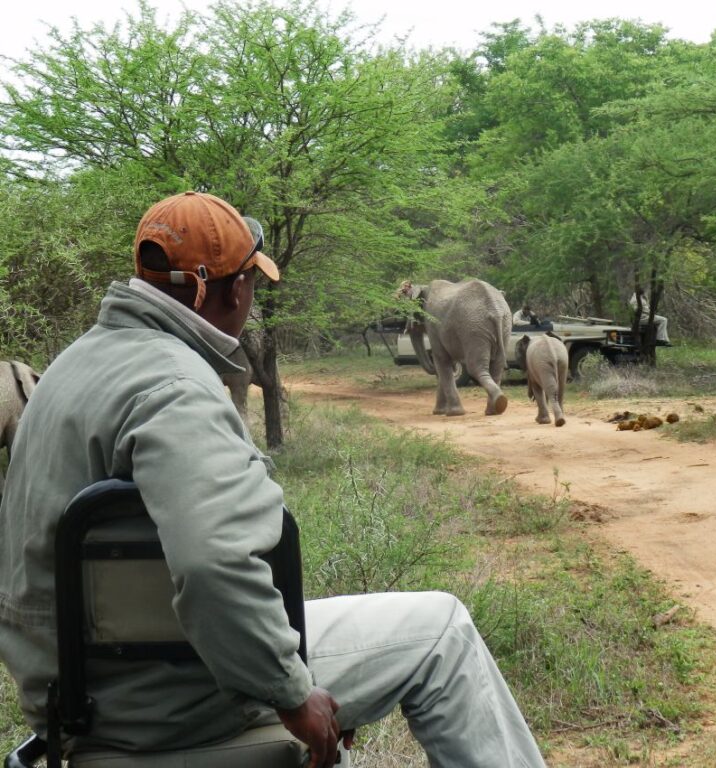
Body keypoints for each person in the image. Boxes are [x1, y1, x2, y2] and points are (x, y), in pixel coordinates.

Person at [0, 191, 547, 768]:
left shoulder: (71, 365)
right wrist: (292, 692)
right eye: (252, 285)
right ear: (230, 291)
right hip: (169, 701)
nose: (252, 299)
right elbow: (214, 566)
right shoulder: (176, 390)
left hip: (79, 690)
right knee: (444, 632)